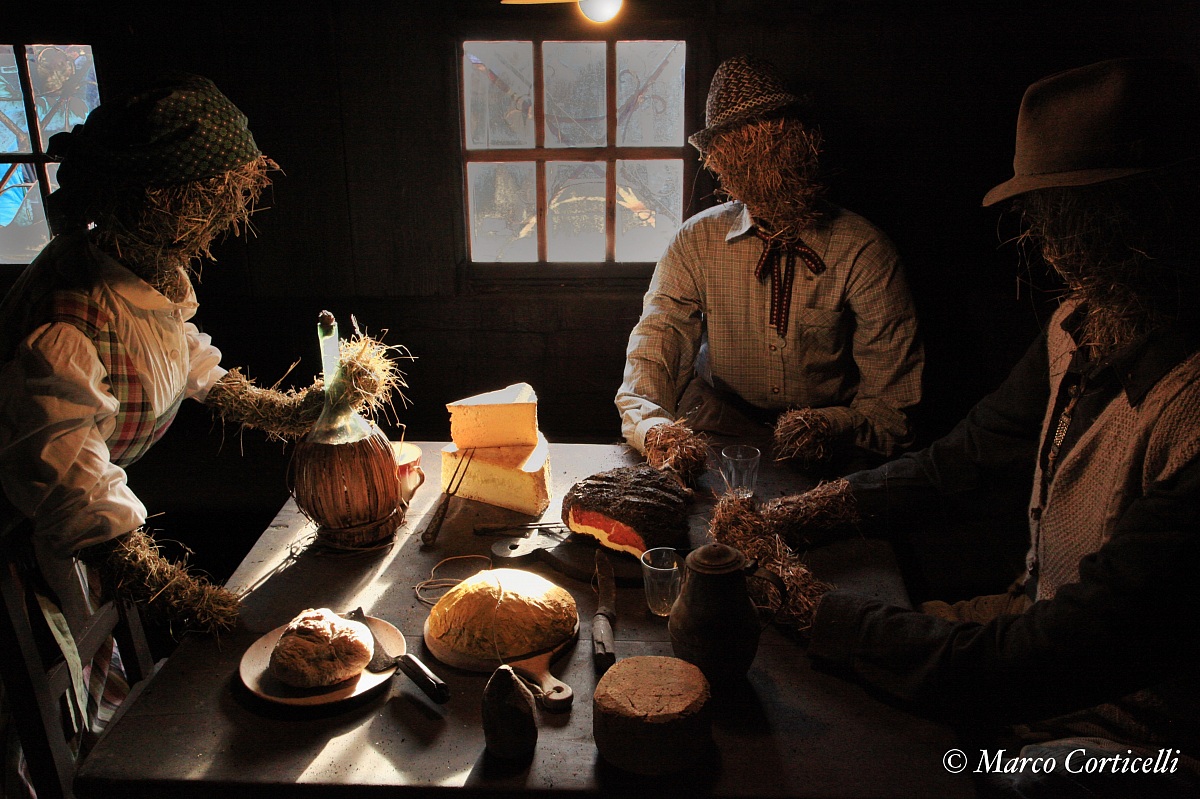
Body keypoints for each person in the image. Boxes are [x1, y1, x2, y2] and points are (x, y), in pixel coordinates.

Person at [728, 58, 1200, 797]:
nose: (1049, 248)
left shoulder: (1188, 413)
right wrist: (813, 509)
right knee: (808, 687)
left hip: (1131, 735)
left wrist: (818, 609)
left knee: (911, 767)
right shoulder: (1080, 324)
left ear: (1148, 222)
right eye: (1044, 222)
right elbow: (966, 457)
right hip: (1031, 629)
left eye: (1072, 223)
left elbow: (1059, 649)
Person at [0, 73, 393, 792]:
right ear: (159, 201)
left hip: (78, 528)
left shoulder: (144, 276)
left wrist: (301, 409)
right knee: (43, 735)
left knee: (108, 706)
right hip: (26, 539)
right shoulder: (64, 325)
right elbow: (75, 489)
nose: (230, 210)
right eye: (216, 193)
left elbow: (197, 368)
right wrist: (187, 598)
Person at [615, 55, 923, 477]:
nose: (759, 158)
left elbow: (892, 406)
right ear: (718, 160)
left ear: (803, 139)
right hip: (715, 420)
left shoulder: (862, 250)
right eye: (736, 146)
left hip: (827, 434)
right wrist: (653, 428)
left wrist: (831, 425)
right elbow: (656, 346)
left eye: (771, 137)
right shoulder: (696, 241)